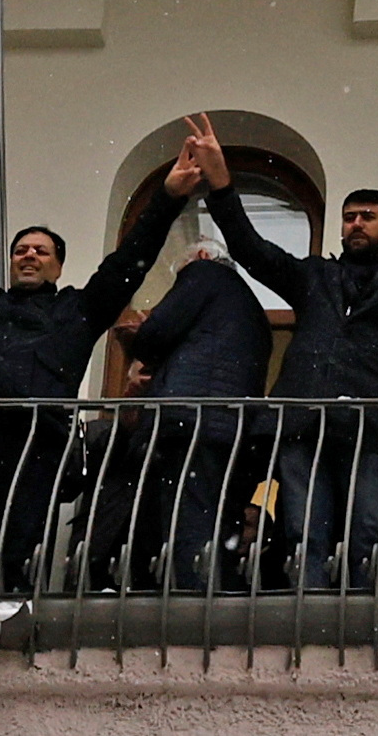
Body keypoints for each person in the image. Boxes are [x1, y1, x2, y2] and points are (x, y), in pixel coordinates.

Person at [0, 120, 195, 590]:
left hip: (36, 442)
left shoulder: (79, 310)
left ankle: (13, 625)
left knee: (22, 554)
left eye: (41, 251)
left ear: (58, 264)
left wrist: (169, 198)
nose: (28, 256)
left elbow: (128, 263)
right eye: (21, 250)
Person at [181, 115, 378, 592]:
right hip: (302, 421)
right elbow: (251, 249)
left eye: (367, 216)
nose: (356, 224)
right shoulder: (315, 278)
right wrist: (221, 184)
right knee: (304, 530)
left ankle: (371, 621)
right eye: (349, 217)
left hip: (372, 425)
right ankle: (309, 616)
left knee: (368, 527)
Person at [93, 237, 271, 592]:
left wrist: (140, 338)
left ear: (204, 255)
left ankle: (189, 605)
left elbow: (159, 330)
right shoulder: (251, 314)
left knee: (183, 522)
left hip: (188, 419)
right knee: (208, 518)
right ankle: (208, 596)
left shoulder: (204, 273)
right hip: (224, 427)